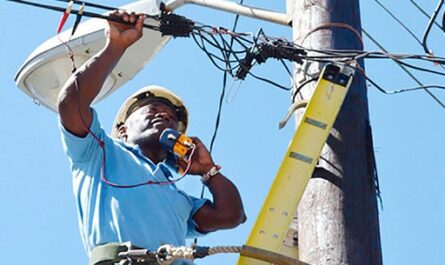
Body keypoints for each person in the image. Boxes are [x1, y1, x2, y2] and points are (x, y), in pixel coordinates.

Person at [57, 10, 246, 264]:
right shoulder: (98, 151)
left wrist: (208, 171)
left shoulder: (177, 196)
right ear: (123, 130)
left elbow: (231, 215)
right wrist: (116, 46)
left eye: (171, 117)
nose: (165, 116)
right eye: (153, 110)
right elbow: (71, 103)